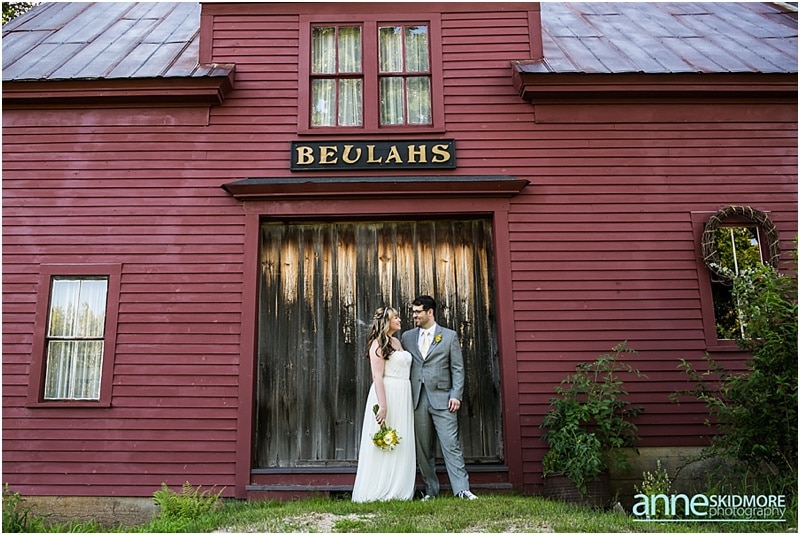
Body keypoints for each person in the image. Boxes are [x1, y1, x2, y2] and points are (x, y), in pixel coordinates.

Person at [402, 295, 478, 500]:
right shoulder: (407, 337)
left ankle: (462, 489)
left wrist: (456, 395)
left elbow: (458, 368)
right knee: (423, 448)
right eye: (413, 312)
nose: (414, 315)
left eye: (418, 312)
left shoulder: (449, 336)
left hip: (444, 399)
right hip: (417, 399)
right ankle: (431, 491)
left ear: (430, 312)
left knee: (450, 444)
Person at [352, 306, 416, 502]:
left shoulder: (397, 341)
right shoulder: (377, 344)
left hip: (403, 392)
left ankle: (398, 488)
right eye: (395, 317)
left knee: (401, 437)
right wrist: (383, 406)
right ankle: (378, 488)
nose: (399, 320)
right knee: (385, 437)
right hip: (387, 393)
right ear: (386, 322)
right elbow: (377, 376)